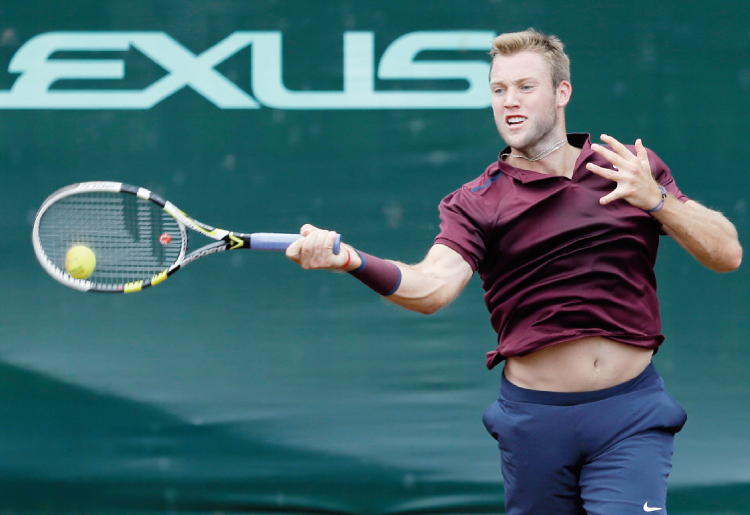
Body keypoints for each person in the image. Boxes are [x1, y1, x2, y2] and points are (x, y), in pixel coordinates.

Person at [285, 28, 742, 515]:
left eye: (526, 86)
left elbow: (726, 253)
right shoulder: (476, 202)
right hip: (536, 424)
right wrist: (353, 261)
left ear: (561, 92)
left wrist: (656, 200)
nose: (510, 101)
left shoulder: (629, 170)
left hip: (630, 414)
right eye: (499, 90)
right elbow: (432, 288)